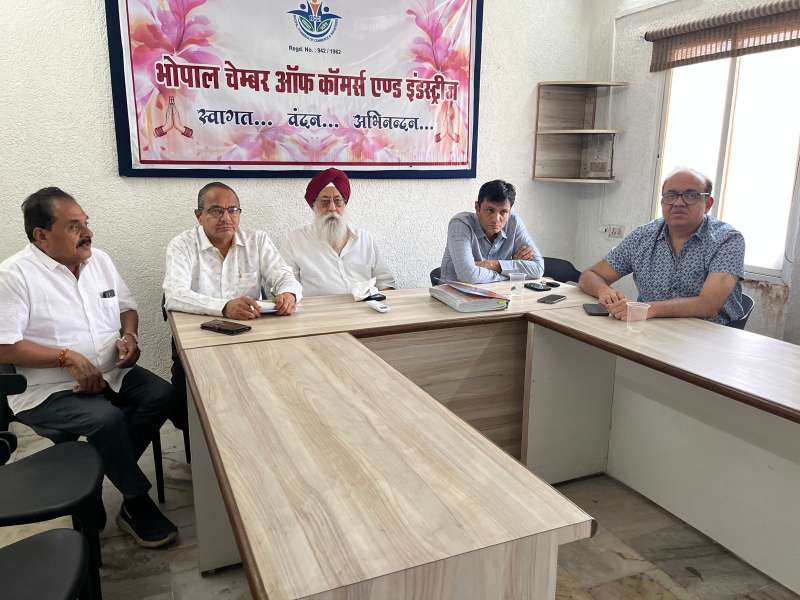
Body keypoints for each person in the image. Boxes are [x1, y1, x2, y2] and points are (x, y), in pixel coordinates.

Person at [0, 187, 178, 548]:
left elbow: (127, 308)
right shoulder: (13, 275)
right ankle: (135, 501)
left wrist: (130, 336)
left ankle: (90, 484)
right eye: (74, 226)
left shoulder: (100, 261)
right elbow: (5, 347)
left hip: (113, 371)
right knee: (106, 421)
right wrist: (65, 357)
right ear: (41, 236)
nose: (88, 232)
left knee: (162, 394)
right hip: (48, 388)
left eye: (86, 222)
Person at [163, 182, 302, 429]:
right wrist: (224, 307)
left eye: (233, 210)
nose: (226, 218)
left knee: (279, 390)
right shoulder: (182, 245)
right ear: (199, 216)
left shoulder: (257, 241)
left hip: (250, 338)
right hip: (199, 341)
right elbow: (174, 295)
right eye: (216, 210)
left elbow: (284, 275)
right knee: (192, 411)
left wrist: (288, 293)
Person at [578, 167, 745, 325]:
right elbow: (590, 276)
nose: (678, 203)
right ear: (662, 202)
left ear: (708, 204)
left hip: (710, 335)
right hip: (651, 328)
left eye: (691, 195)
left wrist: (647, 309)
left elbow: (708, 304)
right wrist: (604, 291)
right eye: (671, 195)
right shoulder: (642, 237)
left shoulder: (727, 240)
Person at [281, 168, 396, 296]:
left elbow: (385, 282)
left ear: (345, 203)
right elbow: (287, 285)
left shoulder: (364, 238)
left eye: (338, 201)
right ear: (314, 206)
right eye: (324, 202)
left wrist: (385, 305)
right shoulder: (295, 240)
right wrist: (288, 294)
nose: (332, 208)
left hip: (366, 306)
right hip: (319, 308)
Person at [440, 179, 544, 283]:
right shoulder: (460, 224)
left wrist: (493, 265)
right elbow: (467, 275)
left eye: (503, 212)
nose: (496, 219)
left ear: (510, 211)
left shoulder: (514, 223)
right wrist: (511, 272)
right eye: (490, 210)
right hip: (455, 292)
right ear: (477, 207)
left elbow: (538, 268)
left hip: (499, 292)